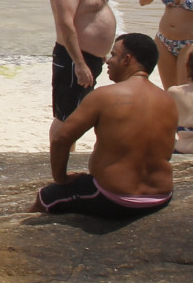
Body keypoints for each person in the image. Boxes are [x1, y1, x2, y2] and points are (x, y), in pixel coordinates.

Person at [34, 34, 175, 220]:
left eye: (114, 55)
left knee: (45, 198)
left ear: (127, 60)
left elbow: (61, 138)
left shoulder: (104, 96)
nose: (108, 61)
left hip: (115, 198)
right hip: (161, 196)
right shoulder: (169, 100)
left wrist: (61, 179)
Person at [49, 0, 115, 126]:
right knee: (66, 119)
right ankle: (62, 157)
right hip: (73, 60)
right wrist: (79, 63)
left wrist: (100, 50)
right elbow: (65, 25)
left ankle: (69, 155)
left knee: (78, 115)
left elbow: (89, 17)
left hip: (88, 59)